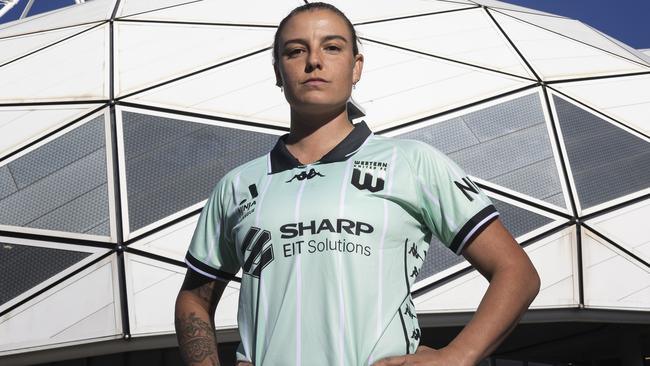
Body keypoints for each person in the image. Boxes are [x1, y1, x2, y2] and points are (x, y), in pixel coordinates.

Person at [174, 2, 541, 366]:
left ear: (356, 66)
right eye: (295, 51)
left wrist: (457, 356)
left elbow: (517, 273)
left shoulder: (411, 162)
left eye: (332, 48)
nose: (313, 61)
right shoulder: (238, 185)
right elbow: (194, 298)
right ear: (277, 71)